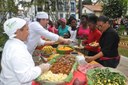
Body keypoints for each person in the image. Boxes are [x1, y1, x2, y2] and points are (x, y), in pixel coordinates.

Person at [0, 18, 51, 85]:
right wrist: (41, 68)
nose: (29, 32)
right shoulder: (16, 50)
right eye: (27, 29)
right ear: (18, 31)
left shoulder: (11, 43)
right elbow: (24, 77)